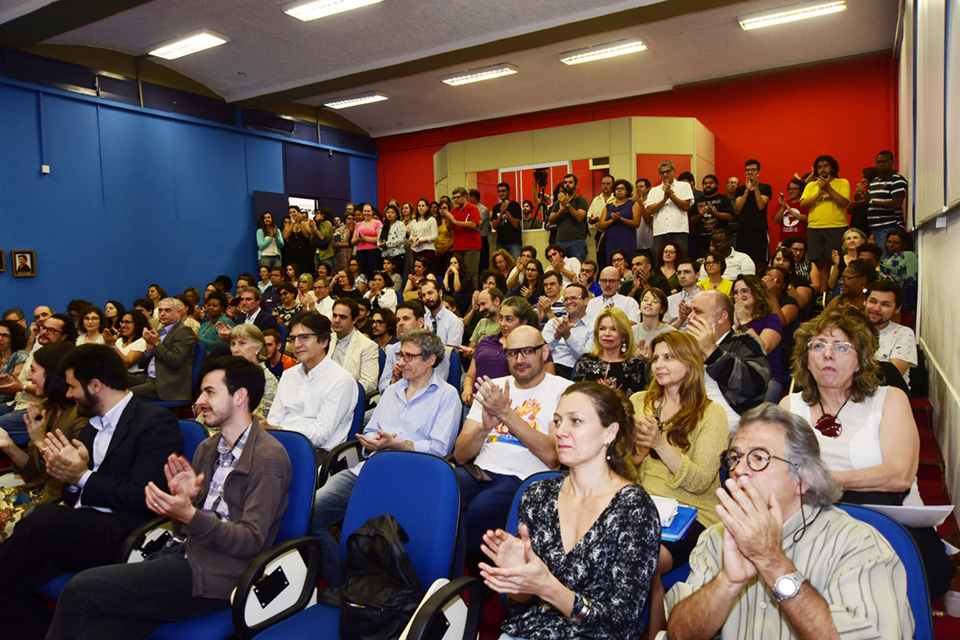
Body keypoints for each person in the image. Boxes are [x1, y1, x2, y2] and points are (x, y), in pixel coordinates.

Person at [47, 356, 291, 639]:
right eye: (201, 392)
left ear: (240, 397)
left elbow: (251, 541)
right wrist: (184, 508)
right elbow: (186, 529)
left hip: (220, 576)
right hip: (183, 556)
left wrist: (190, 515)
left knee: (81, 587)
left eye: (210, 392)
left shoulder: (268, 457)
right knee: (99, 630)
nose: (199, 400)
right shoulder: (207, 448)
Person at [665, 403, 914, 639]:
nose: (739, 470)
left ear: (805, 477)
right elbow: (678, 634)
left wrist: (772, 562)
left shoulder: (859, 546)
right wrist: (727, 582)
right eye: (736, 457)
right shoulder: (716, 538)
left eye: (759, 458)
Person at [0, 344, 182, 638]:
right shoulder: (93, 425)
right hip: (82, 528)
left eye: (73, 387)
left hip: (125, 531)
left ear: (95, 386)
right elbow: (74, 493)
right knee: (12, 583)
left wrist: (82, 476)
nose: (68, 394)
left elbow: (144, 497)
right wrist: (71, 478)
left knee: (43, 521)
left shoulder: (155, 423)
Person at [784, 309, 954, 597]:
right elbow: (784, 476)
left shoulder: (889, 399)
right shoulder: (790, 405)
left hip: (887, 517)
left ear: (860, 362)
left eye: (841, 347)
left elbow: (899, 475)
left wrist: (820, 480)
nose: (828, 354)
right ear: (806, 359)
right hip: (815, 517)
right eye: (818, 345)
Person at [479, 381, 660, 640]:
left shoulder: (634, 508)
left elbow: (621, 625)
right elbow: (517, 608)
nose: (561, 431)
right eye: (557, 421)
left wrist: (550, 589)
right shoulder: (537, 494)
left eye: (575, 421)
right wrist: (519, 581)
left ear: (609, 433)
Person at [311, 329, 461, 586]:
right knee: (310, 513)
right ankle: (345, 584)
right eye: (400, 355)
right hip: (370, 469)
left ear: (430, 360)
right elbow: (371, 430)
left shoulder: (447, 396)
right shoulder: (392, 392)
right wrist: (374, 442)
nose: (401, 362)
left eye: (409, 356)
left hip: (415, 478)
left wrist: (397, 444)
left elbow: (440, 449)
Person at [630, 330, 728, 635]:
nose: (659, 364)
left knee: (642, 559)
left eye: (669, 357)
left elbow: (700, 482)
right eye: (656, 357)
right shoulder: (639, 402)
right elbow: (624, 467)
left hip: (692, 513)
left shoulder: (712, 414)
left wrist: (660, 445)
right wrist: (639, 452)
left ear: (691, 362)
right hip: (641, 504)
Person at [454, 326, 571, 554]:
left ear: (544, 352)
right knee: (439, 499)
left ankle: (453, 583)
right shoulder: (492, 388)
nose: (519, 359)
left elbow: (552, 457)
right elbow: (459, 455)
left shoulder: (564, 391)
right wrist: (484, 428)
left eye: (528, 351)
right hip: (478, 471)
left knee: (472, 516)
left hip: (523, 479)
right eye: (512, 352)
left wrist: (505, 413)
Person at [0, 343, 86, 539]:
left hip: (59, 504)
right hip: (39, 491)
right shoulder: (46, 407)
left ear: (53, 375)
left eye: (33, 370)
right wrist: (9, 446)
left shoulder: (81, 416)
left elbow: (71, 478)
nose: (28, 377)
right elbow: (34, 472)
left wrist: (40, 443)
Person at [264, 311, 358, 450]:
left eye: (304, 337)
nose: (296, 344)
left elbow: (321, 435)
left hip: (315, 453)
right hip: (279, 445)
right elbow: (273, 418)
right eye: (292, 339)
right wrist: (273, 429)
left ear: (324, 341)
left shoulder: (342, 380)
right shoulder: (289, 375)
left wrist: (278, 429)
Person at [685, 290, 770, 430]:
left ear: (721, 317)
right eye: (690, 311)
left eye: (697, 312)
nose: (689, 317)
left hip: (734, 429)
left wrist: (712, 353)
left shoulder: (745, 342)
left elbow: (756, 384)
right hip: (687, 424)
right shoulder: (685, 345)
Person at [461, 297, 554, 404]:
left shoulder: (535, 346)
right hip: (477, 403)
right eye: (501, 318)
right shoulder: (486, 341)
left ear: (523, 321)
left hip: (514, 405)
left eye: (509, 319)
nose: (503, 324)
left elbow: (548, 380)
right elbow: (470, 375)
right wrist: (467, 390)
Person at [0, 314, 76, 437]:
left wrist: (22, 387)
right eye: (43, 328)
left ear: (64, 336)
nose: (44, 332)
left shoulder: (64, 358)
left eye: (51, 330)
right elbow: (22, 381)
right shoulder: (37, 353)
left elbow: (57, 391)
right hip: (16, 403)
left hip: (38, 407)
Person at [801, 155, 851, 298]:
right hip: (815, 227)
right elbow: (803, 204)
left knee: (835, 261)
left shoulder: (842, 182)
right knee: (820, 262)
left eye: (825, 166)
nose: (823, 169)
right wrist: (818, 193)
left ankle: (835, 295)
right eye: (819, 167)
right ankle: (823, 296)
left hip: (837, 226)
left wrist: (828, 188)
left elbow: (843, 202)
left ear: (833, 167)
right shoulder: (811, 185)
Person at [130, 298, 196, 403]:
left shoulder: (184, 332)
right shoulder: (159, 332)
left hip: (166, 383)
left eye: (167, 310)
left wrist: (156, 344)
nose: (162, 314)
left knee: (124, 395)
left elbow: (175, 360)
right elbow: (141, 364)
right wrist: (149, 351)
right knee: (113, 381)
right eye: (160, 310)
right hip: (147, 377)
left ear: (178, 313)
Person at [732, 275, 783, 402]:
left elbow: (762, 349)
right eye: (736, 292)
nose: (740, 295)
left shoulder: (771, 319)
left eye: (745, 291)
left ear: (756, 292)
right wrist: (734, 327)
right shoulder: (727, 320)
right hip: (736, 376)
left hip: (766, 378)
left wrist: (744, 322)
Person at [574, 307, 648, 396]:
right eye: (602, 328)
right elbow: (576, 395)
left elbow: (634, 403)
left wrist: (613, 396)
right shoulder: (585, 360)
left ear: (624, 335)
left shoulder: (635, 365)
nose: (607, 333)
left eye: (614, 329)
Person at [865, 280, 917, 389]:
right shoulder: (852, 330)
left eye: (885, 304)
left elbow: (891, 376)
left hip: (889, 396)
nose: (876, 308)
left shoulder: (904, 334)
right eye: (873, 301)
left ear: (897, 308)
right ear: (865, 302)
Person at [328, 298, 380, 397]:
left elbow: (369, 384)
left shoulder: (368, 346)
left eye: (342, 317)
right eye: (335, 315)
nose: (336, 320)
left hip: (347, 397)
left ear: (354, 320)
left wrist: (340, 390)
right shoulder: (326, 340)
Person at [227, 325, 278, 422]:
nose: (235, 349)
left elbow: (260, 418)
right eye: (233, 344)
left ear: (258, 348)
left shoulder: (267, 380)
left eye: (242, 343)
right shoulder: (227, 375)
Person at [542, 283, 593, 378]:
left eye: (574, 298)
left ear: (586, 301)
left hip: (573, 372)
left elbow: (587, 360)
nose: (569, 302)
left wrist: (568, 337)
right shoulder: (553, 323)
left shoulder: (594, 326)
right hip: (547, 368)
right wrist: (556, 337)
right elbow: (540, 354)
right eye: (566, 299)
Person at [643, 160, 693, 254]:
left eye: (668, 171)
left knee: (680, 257)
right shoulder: (654, 190)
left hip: (679, 230)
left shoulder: (684, 186)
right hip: (659, 231)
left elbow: (686, 206)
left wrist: (671, 195)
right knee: (658, 258)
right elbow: (649, 210)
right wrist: (664, 200)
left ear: (673, 171)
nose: (665, 174)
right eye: (662, 172)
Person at [732, 158, 773, 270]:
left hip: (759, 230)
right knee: (742, 261)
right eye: (747, 170)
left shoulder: (766, 188)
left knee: (759, 262)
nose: (750, 172)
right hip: (743, 230)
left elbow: (761, 205)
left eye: (753, 170)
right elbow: (738, 208)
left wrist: (755, 188)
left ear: (758, 172)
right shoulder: (740, 189)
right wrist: (747, 190)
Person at [867, 151, 908, 252]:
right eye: (878, 162)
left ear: (892, 163)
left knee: (886, 260)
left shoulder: (897, 180)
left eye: (884, 162)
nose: (880, 164)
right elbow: (869, 201)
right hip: (874, 228)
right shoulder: (874, 181)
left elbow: (897, 203)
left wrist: (871, 202)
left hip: (889, 227)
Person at [599, 178, 642, 264]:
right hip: (611, 239)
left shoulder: (633, 204)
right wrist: (613, 220)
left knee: (627, 261)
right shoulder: (608, 206)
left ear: (627, 191)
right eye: (617, 188)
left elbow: (636, 223)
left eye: (622, 189)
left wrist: (621, 219)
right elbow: (601, 225)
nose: (619, 190)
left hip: (627, 239)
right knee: (612, 262)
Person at [692, 174, 735, 259]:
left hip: (720, 240)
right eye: (705, 183)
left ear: (717, 185)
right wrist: (700, 214)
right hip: (702, 240)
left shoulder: (723, 199)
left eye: (711, 183)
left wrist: (713, 213)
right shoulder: (698, 201)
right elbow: (692, 220)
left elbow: (729, 216)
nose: (707, 185)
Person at [880, 228, 918, 311]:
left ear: (904, 245)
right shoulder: (891, 258)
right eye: (889, 241)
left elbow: (884, 266)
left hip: (904, 305)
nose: (890, 245)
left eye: (895, 243)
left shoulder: (907, 255)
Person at [633, 285, 675, 358]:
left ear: (662, 309)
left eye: (655, 301)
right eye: (645, 299)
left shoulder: (671, 333)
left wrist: (649, 362)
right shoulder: (631, 331)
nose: (649, 303)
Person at [419, 279, 464, 348]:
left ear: (440, 293)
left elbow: (451, 355)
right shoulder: (424, 319)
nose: (427, 298)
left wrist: (432, 342)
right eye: (423, 295)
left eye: (430, 293)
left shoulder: (454, 321)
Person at [827, 227, 867, 293]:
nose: (852, 240)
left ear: (863, 241)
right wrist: (836, 265)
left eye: (855, 238)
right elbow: (831, 286)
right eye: (848, 238)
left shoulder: (867, 258)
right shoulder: (838, 259)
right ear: (845, 243)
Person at [664, 258, 700, 330]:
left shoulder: (707, 299)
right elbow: (664, 331)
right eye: (679, 273)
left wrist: (693, 314)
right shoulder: (670, 300)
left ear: (697, 275)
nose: (682, 276)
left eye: (687, 272)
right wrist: (681, 320)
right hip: (674, 339)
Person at [491, 183, 523, 260]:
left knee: (516, 265)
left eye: (503, 191)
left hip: (514, 242)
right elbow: (494, 226)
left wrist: (507, 211)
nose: (501, 193)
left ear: (508, 192)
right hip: (501, 242)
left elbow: (516, 224)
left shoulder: (515, 205)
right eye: (499, 191)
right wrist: (502, 212)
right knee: (500, 265)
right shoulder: (496, 207)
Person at [0, 320, 28, 404]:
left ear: (14, 337)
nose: (0, 339)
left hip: (11, 403)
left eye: (5, 335)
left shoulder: (20, 355)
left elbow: (14, 386)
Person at [352, 203, 383, 279]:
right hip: (360, 252)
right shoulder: (358, 224)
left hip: (374, 252)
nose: (366, 213)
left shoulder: (377, 223)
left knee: (373, 273)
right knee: (363, 274)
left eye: (368, 211)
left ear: (372, 212)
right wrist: (358, 239)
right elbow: (353, 241)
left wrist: (365, 239)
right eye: (364, 211)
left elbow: (379, 239)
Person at [282, 206, 315, 276]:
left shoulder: (305, 223)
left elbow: (307, 235)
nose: (292, 214)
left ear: (298, 213)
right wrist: (292, 224)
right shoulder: (288, 224)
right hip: (292, 253)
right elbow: (285, 236)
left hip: (304, 253)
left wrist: (299, 223)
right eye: (290, 212)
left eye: (294, 212)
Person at [772, 178, 808, 243]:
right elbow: (776, 220)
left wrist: (792, 212)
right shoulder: (783, 204)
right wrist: (782, 208)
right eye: (790, 189)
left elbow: (807, 218)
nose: (792, 191)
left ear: (800, 191)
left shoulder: (804, 204)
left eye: (795, 189)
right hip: (784, 241)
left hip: (800, 241)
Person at [309, 207, 336, 273]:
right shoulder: (319, 225)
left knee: (327, 273)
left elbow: (322, 237)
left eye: (318, 213)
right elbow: (311, 240)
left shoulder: (327, 223)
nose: (316, 215)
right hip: (318, 254)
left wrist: (315, 227)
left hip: (327, 255)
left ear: (323, 215)